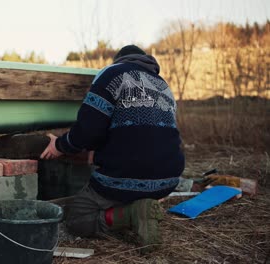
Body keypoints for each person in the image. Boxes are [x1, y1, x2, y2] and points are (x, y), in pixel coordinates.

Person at [40, 45, 184, 253]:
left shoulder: (112, 73)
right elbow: (149, 135)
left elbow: (89, 130)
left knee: (78, 218)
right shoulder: (163, 85)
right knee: (133, 183)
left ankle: (132, 213)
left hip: (127, 175)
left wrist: (61, 145)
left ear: (118, 60)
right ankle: (142, 205)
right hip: (168, 180)